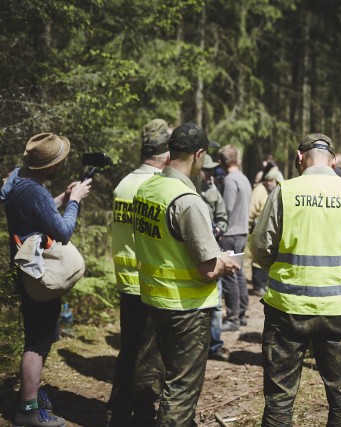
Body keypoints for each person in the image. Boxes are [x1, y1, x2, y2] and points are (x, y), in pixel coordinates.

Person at [250, 133, 341, 427]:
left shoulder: (285, 191)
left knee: (279, 399)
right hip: (339, 309)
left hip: (287, 307)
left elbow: (260, 249)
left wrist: (280, 266)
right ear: (334, 160)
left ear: (299, 157)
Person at [133, 123, 238, 426]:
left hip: (154, 300)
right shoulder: (188, 201)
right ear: (199, 154)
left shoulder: (148, 189)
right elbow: (207, 270)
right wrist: (226, 263)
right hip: (186, 309)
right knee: (181, 388)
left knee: (159, 375)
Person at [1, 133, 92, 427]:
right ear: (48, 165)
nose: (61, 165)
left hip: (27, 270)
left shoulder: (17, 180)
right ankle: (27, 411)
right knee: (37, 342)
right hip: (38, 273)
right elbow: (63, 232)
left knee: (38, 336)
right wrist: (75, 201)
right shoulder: (36, 192)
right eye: (58, 161)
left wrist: (63, 197)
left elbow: (36, 211)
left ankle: (29, 399)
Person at [107, 119, 170, 426]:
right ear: (167, 154)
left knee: (128, 349)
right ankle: (144, 415)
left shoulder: (124, 184)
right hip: (149, 282)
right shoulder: (155, 188)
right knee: (149, 355)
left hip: (125, 280)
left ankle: (117, 411)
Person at [217, 144, 252, 331]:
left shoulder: (230, 180)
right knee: (239, 273)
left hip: (231, 233)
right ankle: (241, 312)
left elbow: (227, 208)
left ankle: (232, 319)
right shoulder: (243, 178)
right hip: (242, 231)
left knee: (230, 275)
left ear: (222, 161)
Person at [200, 154, 230, 361]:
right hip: (191, 254)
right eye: (206, 169)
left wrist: (219, 229)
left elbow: (223, 217)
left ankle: (215, 344)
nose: (210, 173)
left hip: (214, 250)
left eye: (212, 170)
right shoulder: (187, 190)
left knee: (217, 303)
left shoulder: (213, 192)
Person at [248, 164, 283, 297]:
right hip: (259, 228)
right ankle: (258, 285)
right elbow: (251, 211)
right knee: (257, 258)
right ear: (269, 180)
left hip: (268, 228)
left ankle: (264, 283)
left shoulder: (271, 191)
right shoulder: (259, 191)